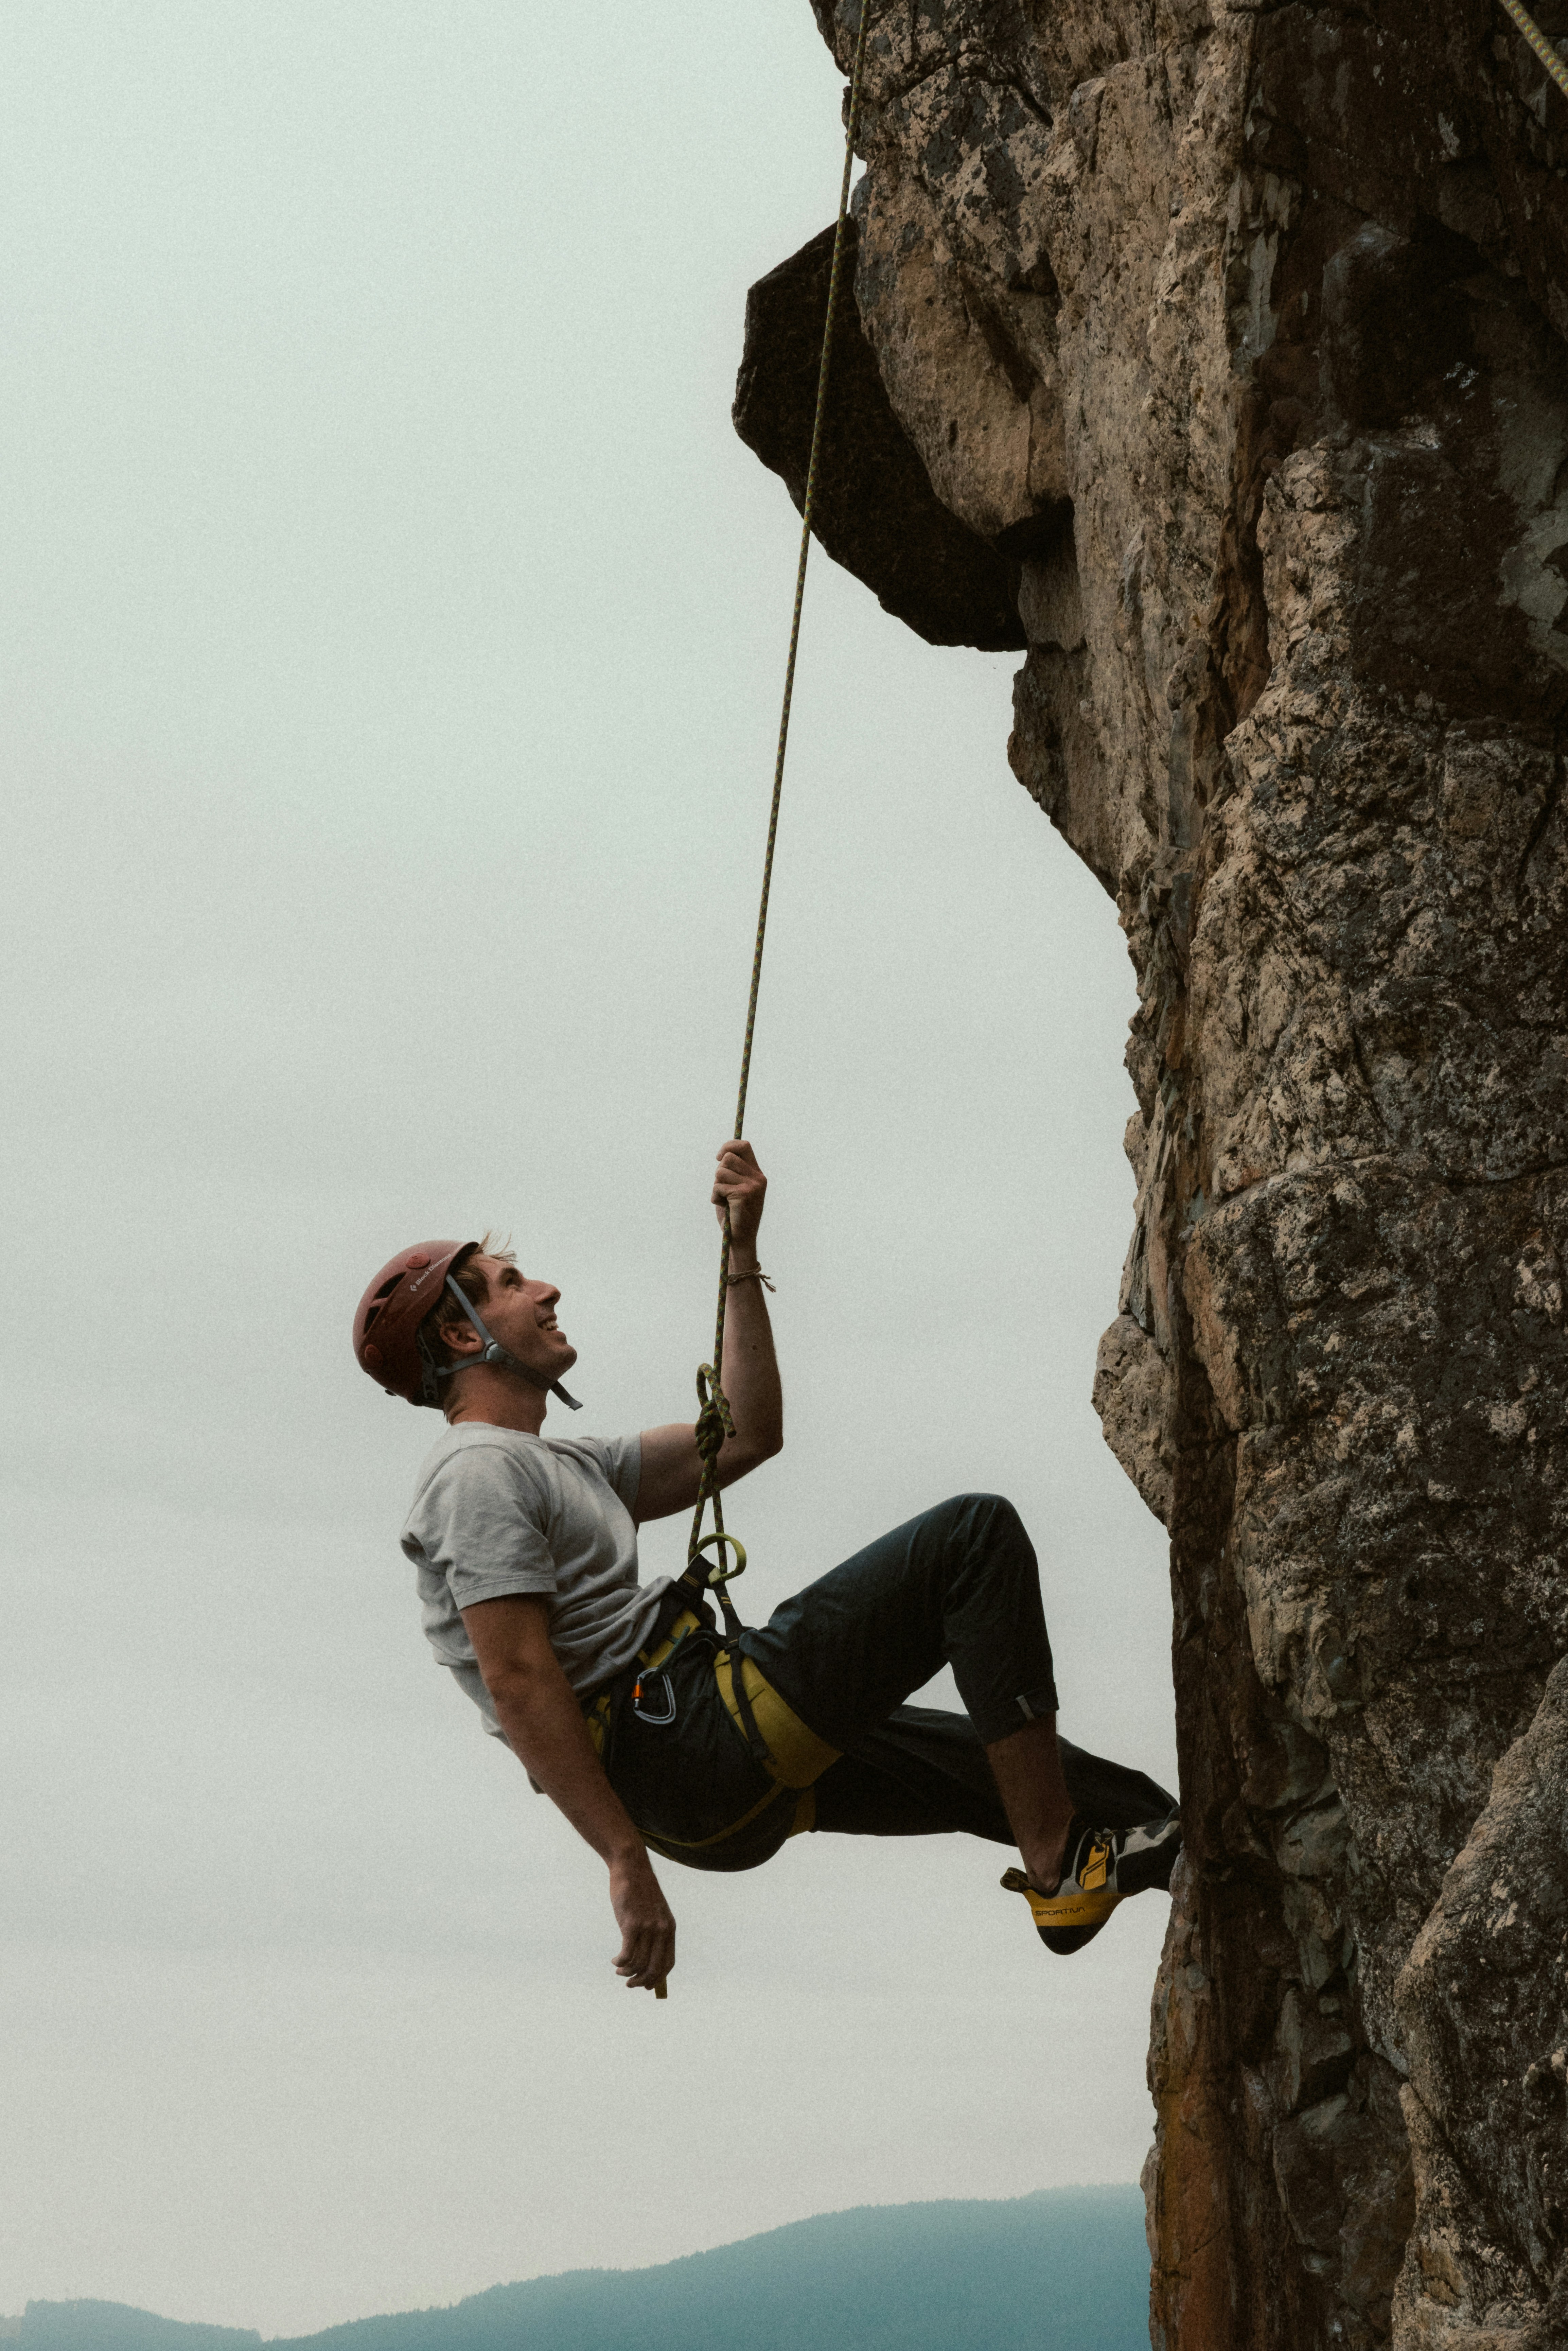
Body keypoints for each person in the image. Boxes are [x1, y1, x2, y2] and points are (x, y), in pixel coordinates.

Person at [353, 1141, 1179, 1995]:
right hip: (683, 1742)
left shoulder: (564, 1465)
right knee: (971, 1539)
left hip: (697, 1759)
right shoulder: (476, 1473)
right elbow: (519, 1676)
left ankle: (1175, 1850)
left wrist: (740, 1253)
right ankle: (1055, 1869)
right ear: (461, 1332)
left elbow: (747, 1430)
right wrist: (622, 1861)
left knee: (1046, 1780)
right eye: (512, 1282)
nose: (545, 1289)